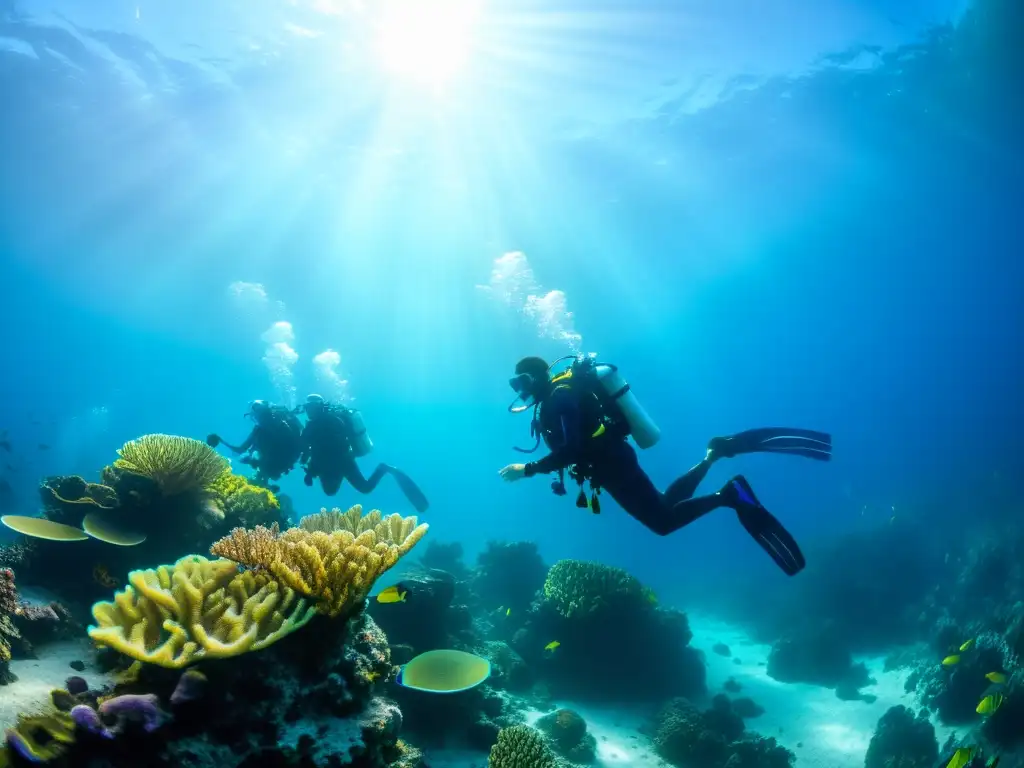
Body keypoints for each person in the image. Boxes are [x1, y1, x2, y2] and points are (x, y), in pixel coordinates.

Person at [497, 355, 832, 576]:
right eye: (516, 385)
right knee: (664, 504)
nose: (520, 390)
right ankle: (713, 454)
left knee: (663, 523)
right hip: (613, 464)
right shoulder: (555, 399)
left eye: (521, 382)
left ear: (537, 376)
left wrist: (526, 470)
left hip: (613, 466)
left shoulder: (560, 398)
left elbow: (571, 449)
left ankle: (728, 495)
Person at [298, 394, 430, 513]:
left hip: (340, 463)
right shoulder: (324, 423)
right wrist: (311, 471)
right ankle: (382, 469)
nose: (309, 411)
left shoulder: (321, 425)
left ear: (320, 407)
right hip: (340, 462)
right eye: (308, 408)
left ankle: (382, 468)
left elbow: (318, 451)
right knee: (337, 491)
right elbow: (316, 450)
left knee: (351, 489)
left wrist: (311, 472)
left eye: (312, 407)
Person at [207, 400, 303, 492]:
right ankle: (265, 483)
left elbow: (240, 450)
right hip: (286, 462)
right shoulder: (283, 423)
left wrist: (221, 440)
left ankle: (264, 484)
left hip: (272, 465)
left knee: (250, 459)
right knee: (253, 458)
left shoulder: (259, 430)